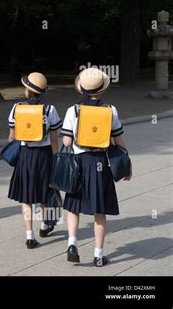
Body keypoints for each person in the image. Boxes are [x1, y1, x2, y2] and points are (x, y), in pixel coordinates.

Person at [60, 68, 132, 266]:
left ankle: (72, 243)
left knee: (73, 207)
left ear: (81, 88)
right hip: (100, 163)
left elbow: (66, 142)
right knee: (99, 211)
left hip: (78, 163)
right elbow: (119, 141)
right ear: (101, 91)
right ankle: (98, 255)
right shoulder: (110, 110)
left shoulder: (72, 111)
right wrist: (127, 164)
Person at [7, 72, 62, 249]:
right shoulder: (50, 109)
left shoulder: (17, 107)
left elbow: (11, 136)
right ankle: (45, 225)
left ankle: (29, 236)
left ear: (27, 91)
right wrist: (57, 159)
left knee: (26, 197)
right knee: (45, 192)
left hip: (25, 154)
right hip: (45, 155)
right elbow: (55, 138)